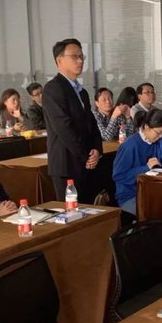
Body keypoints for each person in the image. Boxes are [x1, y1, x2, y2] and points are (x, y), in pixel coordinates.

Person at [43, 38, 103, 203]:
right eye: (74, 56)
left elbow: (92, 124)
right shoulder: (53, 88)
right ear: (59, 60)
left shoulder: (81, 91)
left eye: (81, 56)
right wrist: (86, 156)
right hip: (67, 164)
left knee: (91, 211)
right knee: (72, 213)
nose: (80, 61)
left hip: (86, 162)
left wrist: (97, 150)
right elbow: (64, 128)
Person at [113, 109, 162, 216]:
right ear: (146, 127)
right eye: (158, 132)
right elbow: (119, 176)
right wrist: (146, 167)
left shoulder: (157, 141)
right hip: (131, 196)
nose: (160, 136)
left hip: (153, 192)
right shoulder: (130, 145)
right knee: (160, 213)